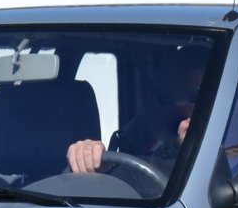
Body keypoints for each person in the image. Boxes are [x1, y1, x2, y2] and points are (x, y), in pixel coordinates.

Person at [66, 44, 209, 175]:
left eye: (194, 98)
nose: (164, 108)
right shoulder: (139, 137)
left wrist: (190, 151)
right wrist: (89, 156)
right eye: (162, 99)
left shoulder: (215, 155)